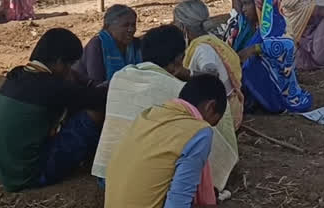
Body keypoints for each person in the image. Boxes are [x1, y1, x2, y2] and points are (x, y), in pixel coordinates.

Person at [93, 25, 238, 194]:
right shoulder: (179, 92)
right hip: (148, 184)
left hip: (107, 175)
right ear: (179, 59)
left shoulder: (120, 77)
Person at [0, 28, 107, 192]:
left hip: (7, 170)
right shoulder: (53, 87)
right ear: (58, 62)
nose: (70, 71)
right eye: (70, 65)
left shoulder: (18, 75)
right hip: (30, 175)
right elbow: (99, 99)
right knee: (96, 112)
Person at [105, 75, 228, 208]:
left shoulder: (149, 115)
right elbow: (176, 204)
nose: (210, 126)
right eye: (213, 122)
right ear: (210, 106)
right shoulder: (199, 132)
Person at [230, 0, 312, 113]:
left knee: (251, 64)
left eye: (247, 4)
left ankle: (267, 100)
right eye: (242, 5)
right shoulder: (252, 25)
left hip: (281, 88)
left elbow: (288, 45)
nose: (244, 9)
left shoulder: (277, 23)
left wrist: (256, 48)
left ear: (259, 2)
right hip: (264, 81)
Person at [174, 0, 244, 128]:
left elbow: (211, 73)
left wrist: (187, 73)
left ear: (182, 27)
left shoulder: (203, 48)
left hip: (221, 115)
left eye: (176, 23)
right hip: (224, 106)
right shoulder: (211, 40)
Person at [73, 4, 141, 86]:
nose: (131, 29)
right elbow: (96, 83)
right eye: (125, 25)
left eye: (133, 25)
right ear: (108, 26)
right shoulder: (97, 45)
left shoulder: (136, 44)